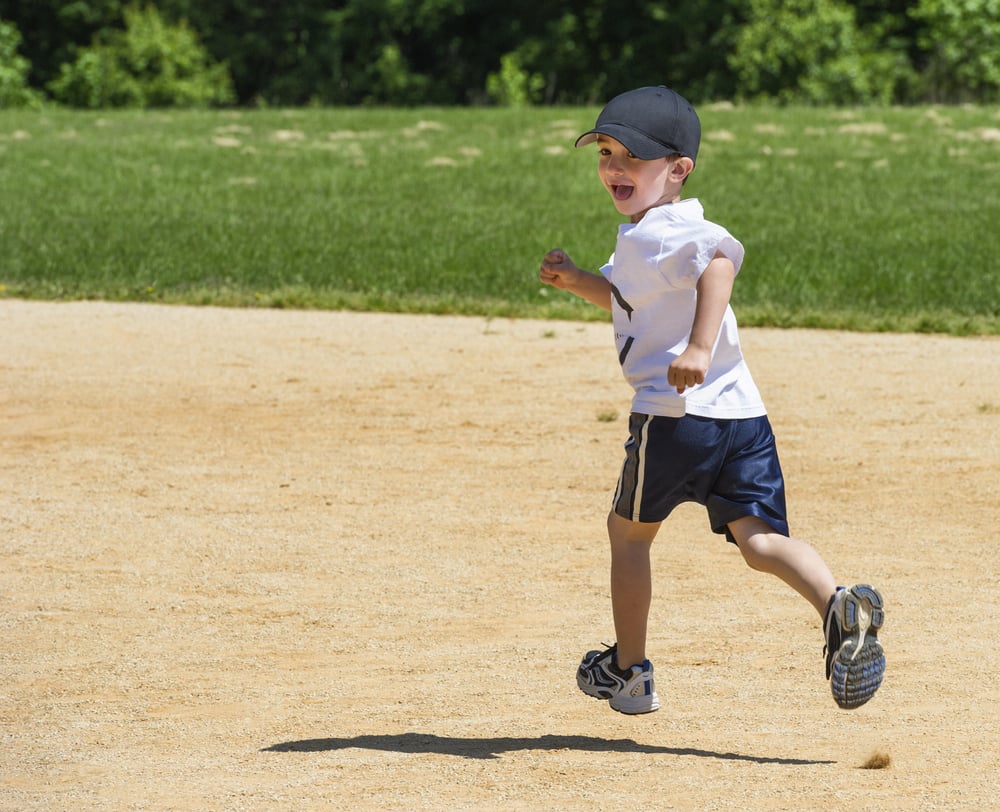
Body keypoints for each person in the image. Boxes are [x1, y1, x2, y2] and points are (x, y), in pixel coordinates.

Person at [538, 86, 885, 714]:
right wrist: (577, 280)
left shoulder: (667, 231)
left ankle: (628, 672)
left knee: (628, 536)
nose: (615, 167)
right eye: (607, 152)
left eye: (633, 157)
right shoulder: (652, 233)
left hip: (674, 416)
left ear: (678, 169)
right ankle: (837, 605)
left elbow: (719, 261)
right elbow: (628, 299)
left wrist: (698, 347)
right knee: (760, 543)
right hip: (742, 417)